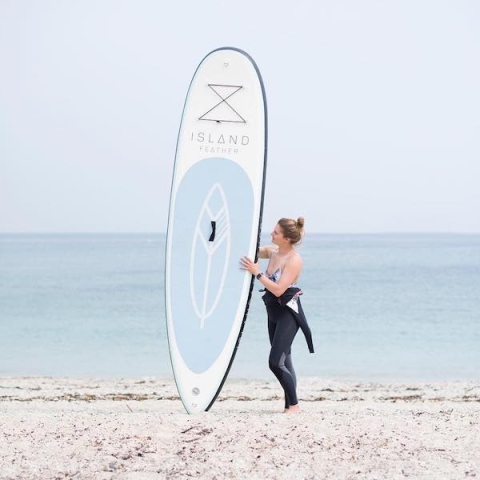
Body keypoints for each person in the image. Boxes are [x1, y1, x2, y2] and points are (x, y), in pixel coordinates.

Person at [240, 217, 314, 414]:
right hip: (272, 313)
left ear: (287, 239)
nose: (271, 234)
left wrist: (257, 273)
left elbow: (280, 290)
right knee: (285, 360)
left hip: (288, 315)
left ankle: (295, 406)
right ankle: (289, 406)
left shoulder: (294, 260)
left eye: (276, 233)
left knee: (275, 362)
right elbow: (253, 250)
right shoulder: (273, 252)